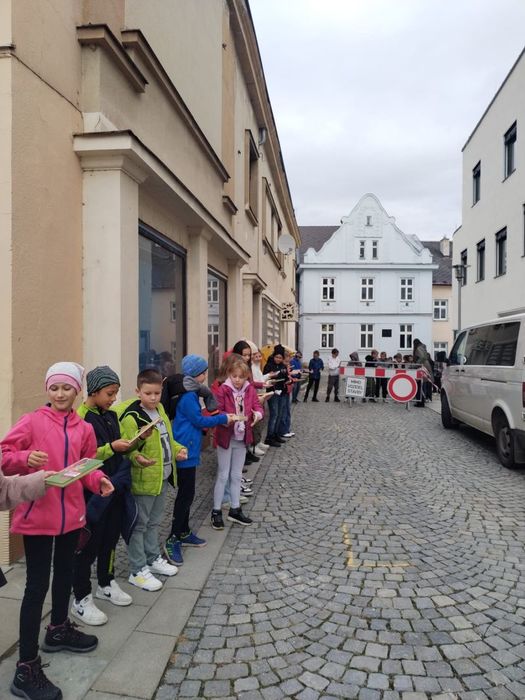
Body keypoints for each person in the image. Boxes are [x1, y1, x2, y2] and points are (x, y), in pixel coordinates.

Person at [0, 362, 114, 700]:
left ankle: (59, 629)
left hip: (72, 516)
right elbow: (4, 455)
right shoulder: (32, 421)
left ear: (77, 390)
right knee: (36, 586)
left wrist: (99, 480)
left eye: (66, 388)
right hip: (37, 515)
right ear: (47, 390)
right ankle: (26, 665)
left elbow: (87, 467)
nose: (60, 394)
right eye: (54, 388)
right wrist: (25, 458)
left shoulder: (84, 428)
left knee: (65, 573)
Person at [72, 366, 136, 626]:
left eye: (116, 393)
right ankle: (81, 597)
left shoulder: (110, 415)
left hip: (114, 487)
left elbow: (119, 447)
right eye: (110, 393)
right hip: (92, 493)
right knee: (88, 545)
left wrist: (135, 447)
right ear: (94, 391)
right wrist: (111, 448)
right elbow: (83, 456)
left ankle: (106, 583)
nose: (113, 398)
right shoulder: (81, 417)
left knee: (110, 538)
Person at [117, 369, 187, 591]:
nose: (154, 398)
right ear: (138, 391)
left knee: (154, 522)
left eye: (157, 393)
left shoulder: (161, 410)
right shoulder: (132, 418)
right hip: (143, 480)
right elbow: (128, 449)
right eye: (148, 393)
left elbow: (167, 439)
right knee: (139, 525)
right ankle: (137, 569)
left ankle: (152, 558)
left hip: (162, 477)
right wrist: (137, 458)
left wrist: (178, 449)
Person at [165, 355, 233, 566]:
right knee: (185, 496)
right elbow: (198, 420)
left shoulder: (191, 391)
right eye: (204, 372)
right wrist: (223, 418)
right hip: (185, 450)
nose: (205, 375)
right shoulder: (188, 396)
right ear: (198, 374)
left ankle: (184, 531)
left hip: (190, 448)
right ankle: (174, 537)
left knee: (189, 494)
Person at [211, 358, 263, 529]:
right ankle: (216, 511)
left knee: (236, 475)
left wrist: (257, 415)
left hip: (242, 437)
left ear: (246, 376)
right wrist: (228, 418)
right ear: (229, 375)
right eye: (234, 376)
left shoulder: (249, 389)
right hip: (226, 437)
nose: (238, 380)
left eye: (241, 377)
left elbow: (257, 406)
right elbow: (217, 411)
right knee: (223, 475)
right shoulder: (223, 389)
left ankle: (235, 509)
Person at [263, 345, 290, 445]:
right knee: (274, 414)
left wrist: (288, 381)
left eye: (280, 358)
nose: (278, 359)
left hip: (282, 392)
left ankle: (276, 434)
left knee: (279, 414)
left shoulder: (283, 366)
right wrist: (271, 379)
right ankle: (269, 437)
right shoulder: (269, 365)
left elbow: (286, 377)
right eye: (277, 357)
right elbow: (264, 378)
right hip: (273, 392)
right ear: (274, 356)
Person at [413, 339, 434, 407]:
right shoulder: (423, 347)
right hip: (425, 366)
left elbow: (422, 357)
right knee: (422, 384)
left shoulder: (418, 348)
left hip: (422, 367)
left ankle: (420, 402)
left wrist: (416, 364)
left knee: (420, 384)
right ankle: (422, 401)